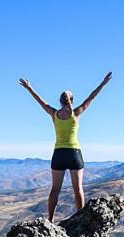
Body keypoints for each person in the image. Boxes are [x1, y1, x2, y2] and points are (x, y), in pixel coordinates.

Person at [19, 72, 112, 221]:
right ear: (72, 100)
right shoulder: (76, 113)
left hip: (59, 154)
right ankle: (80, 219)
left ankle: (50, 220)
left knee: (55, 189)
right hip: (74, 153)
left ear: (60, 101)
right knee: (78, 189)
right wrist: (103, 83)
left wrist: (29, 88)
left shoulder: (54, 114)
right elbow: (91, 97)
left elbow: (41, 101)